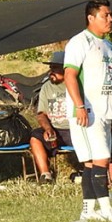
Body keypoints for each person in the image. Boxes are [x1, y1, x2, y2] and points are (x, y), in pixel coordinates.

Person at [63, 0, 112, 222]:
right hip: (87, 111)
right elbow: (69, 75)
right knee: (102, 158)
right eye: (105, 15)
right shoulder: (80, 42)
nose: (110, 19)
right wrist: (80, 106)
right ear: (91, 18)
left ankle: (89, 210)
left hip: (105, 111)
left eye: (111, 14)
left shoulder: (110, 47)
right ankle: (107, 209)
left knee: (93, 162)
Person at [28, 52, 73, 184]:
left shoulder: (75, 84)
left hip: (74, 129)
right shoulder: (46, 87)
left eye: (55, 68)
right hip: (56, 130)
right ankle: (45, 175)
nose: (51, 72)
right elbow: (41, 114)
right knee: (35, 136)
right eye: (50, 68)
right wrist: (48, 129)